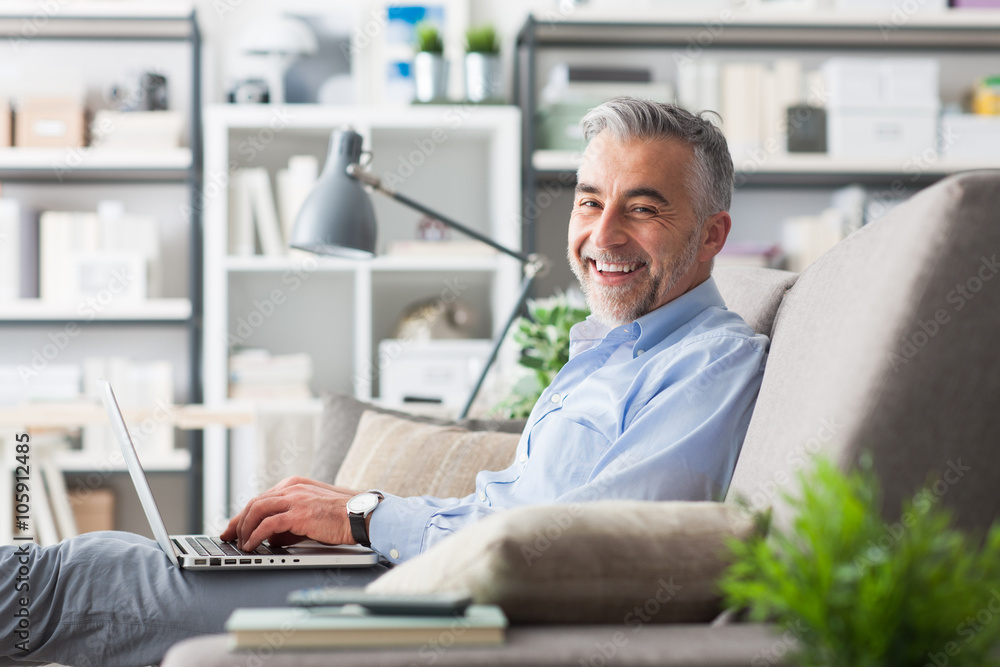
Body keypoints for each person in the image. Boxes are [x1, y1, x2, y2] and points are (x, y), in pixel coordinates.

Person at [0, 97, 768, 667]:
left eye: (643, 209)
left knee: (81, 578)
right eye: (590, 202)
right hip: (418, 574)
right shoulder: (613, 346)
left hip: (444, 608)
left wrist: (368, 516)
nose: (602, 236)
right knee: (89, 569)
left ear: (711, 234)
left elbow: (568, 549)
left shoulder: (710, 363)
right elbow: (509, 508)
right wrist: (357, 513)